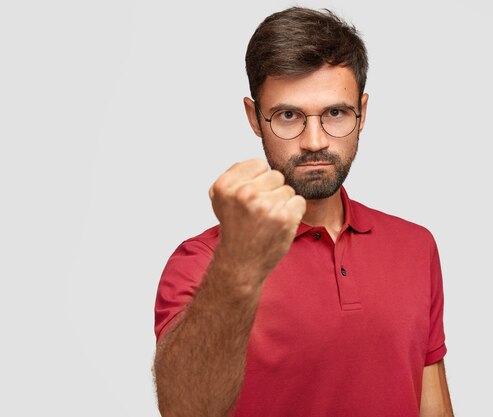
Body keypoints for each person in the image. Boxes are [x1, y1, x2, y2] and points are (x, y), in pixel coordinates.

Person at [153, 7, 454, 417]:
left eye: (335, 113)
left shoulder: (415, 246)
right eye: (288, 115)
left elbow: (431, 404)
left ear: (361, 111)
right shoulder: (203, 261)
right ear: (255, 117)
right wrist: (239, 265)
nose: (314, 141)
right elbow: (184, 411)